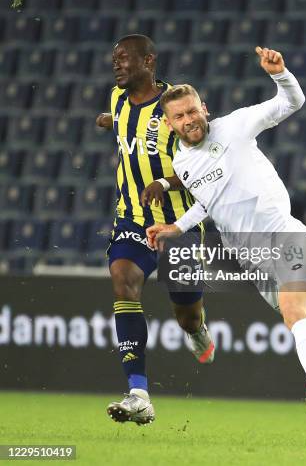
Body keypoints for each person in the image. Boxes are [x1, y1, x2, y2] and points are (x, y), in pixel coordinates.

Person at [145, 46, 306, 424]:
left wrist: (280, 74)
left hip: (284, 236)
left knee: (296, 313)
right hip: (249, 257)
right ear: (169, 124)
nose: (189, 120)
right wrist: (177, 226)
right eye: (179, 116)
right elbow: (210, 202)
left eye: (193, 111)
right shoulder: (182, 162)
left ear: (205, 108)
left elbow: (292, 102)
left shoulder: (236, 125)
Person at [96, 34, 214, 427]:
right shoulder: (117, 97)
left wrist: (165, 183)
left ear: (149, 61)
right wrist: (109, 122)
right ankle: (139, 394)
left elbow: (201, 164)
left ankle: (197, 329)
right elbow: (127, 122)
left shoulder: (175, 110)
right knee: (122, 279)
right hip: (130, 218)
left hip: (176, 225)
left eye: (125, 58)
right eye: (115, 58)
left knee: (187, 316)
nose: (117, 64)